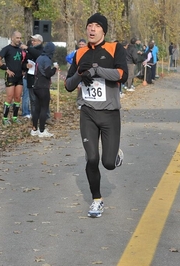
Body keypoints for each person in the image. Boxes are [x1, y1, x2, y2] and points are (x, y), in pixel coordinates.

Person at [65, 13, 128, 218]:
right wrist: (81, 74)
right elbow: (68, 85)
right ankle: (96, 200)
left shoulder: (114, 48)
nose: (91, 29)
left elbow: (122, 75)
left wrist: (97, 70)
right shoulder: (79, 53)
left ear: (103, 30)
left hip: (110, 114)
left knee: (108, 163)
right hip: (88, 113)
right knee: (92, 158)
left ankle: (115, 154)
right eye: (89, 26)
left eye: (96, 26)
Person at [0, 31, 24, 126]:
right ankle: (5, 118)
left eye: (20, 38)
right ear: (12, 38)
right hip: (10, 77)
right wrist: (6, 69)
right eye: (17, 38)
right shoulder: (7, 49)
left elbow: (21, 61)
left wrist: (24, 68)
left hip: (19, 77)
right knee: (9, 97)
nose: (19, 40)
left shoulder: (20, 50)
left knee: (18, 97)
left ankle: (15, 117)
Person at [30, 42, 58, 138]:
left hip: (36, 85)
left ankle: (34, 129)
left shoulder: (39, 58)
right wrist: (55, 69)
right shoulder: (47, 59)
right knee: (44, 108)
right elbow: (48, 73)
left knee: (36, 108)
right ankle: (42, 130)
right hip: (43, 86)